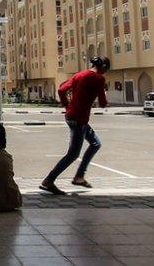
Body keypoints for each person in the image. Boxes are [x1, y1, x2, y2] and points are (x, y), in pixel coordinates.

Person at [40, 56, 110, 195]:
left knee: (95, 143)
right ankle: (49, 180)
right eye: (106, 69)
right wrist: (104, 101)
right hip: (79, 120)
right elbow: (102, 102)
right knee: (73, 154)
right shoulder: (99, 78)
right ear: (103, 66)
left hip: (72, 116)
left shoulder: (79, 75)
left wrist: (67, 106)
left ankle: (79, 177)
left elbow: (61, 90)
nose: (104, 72)